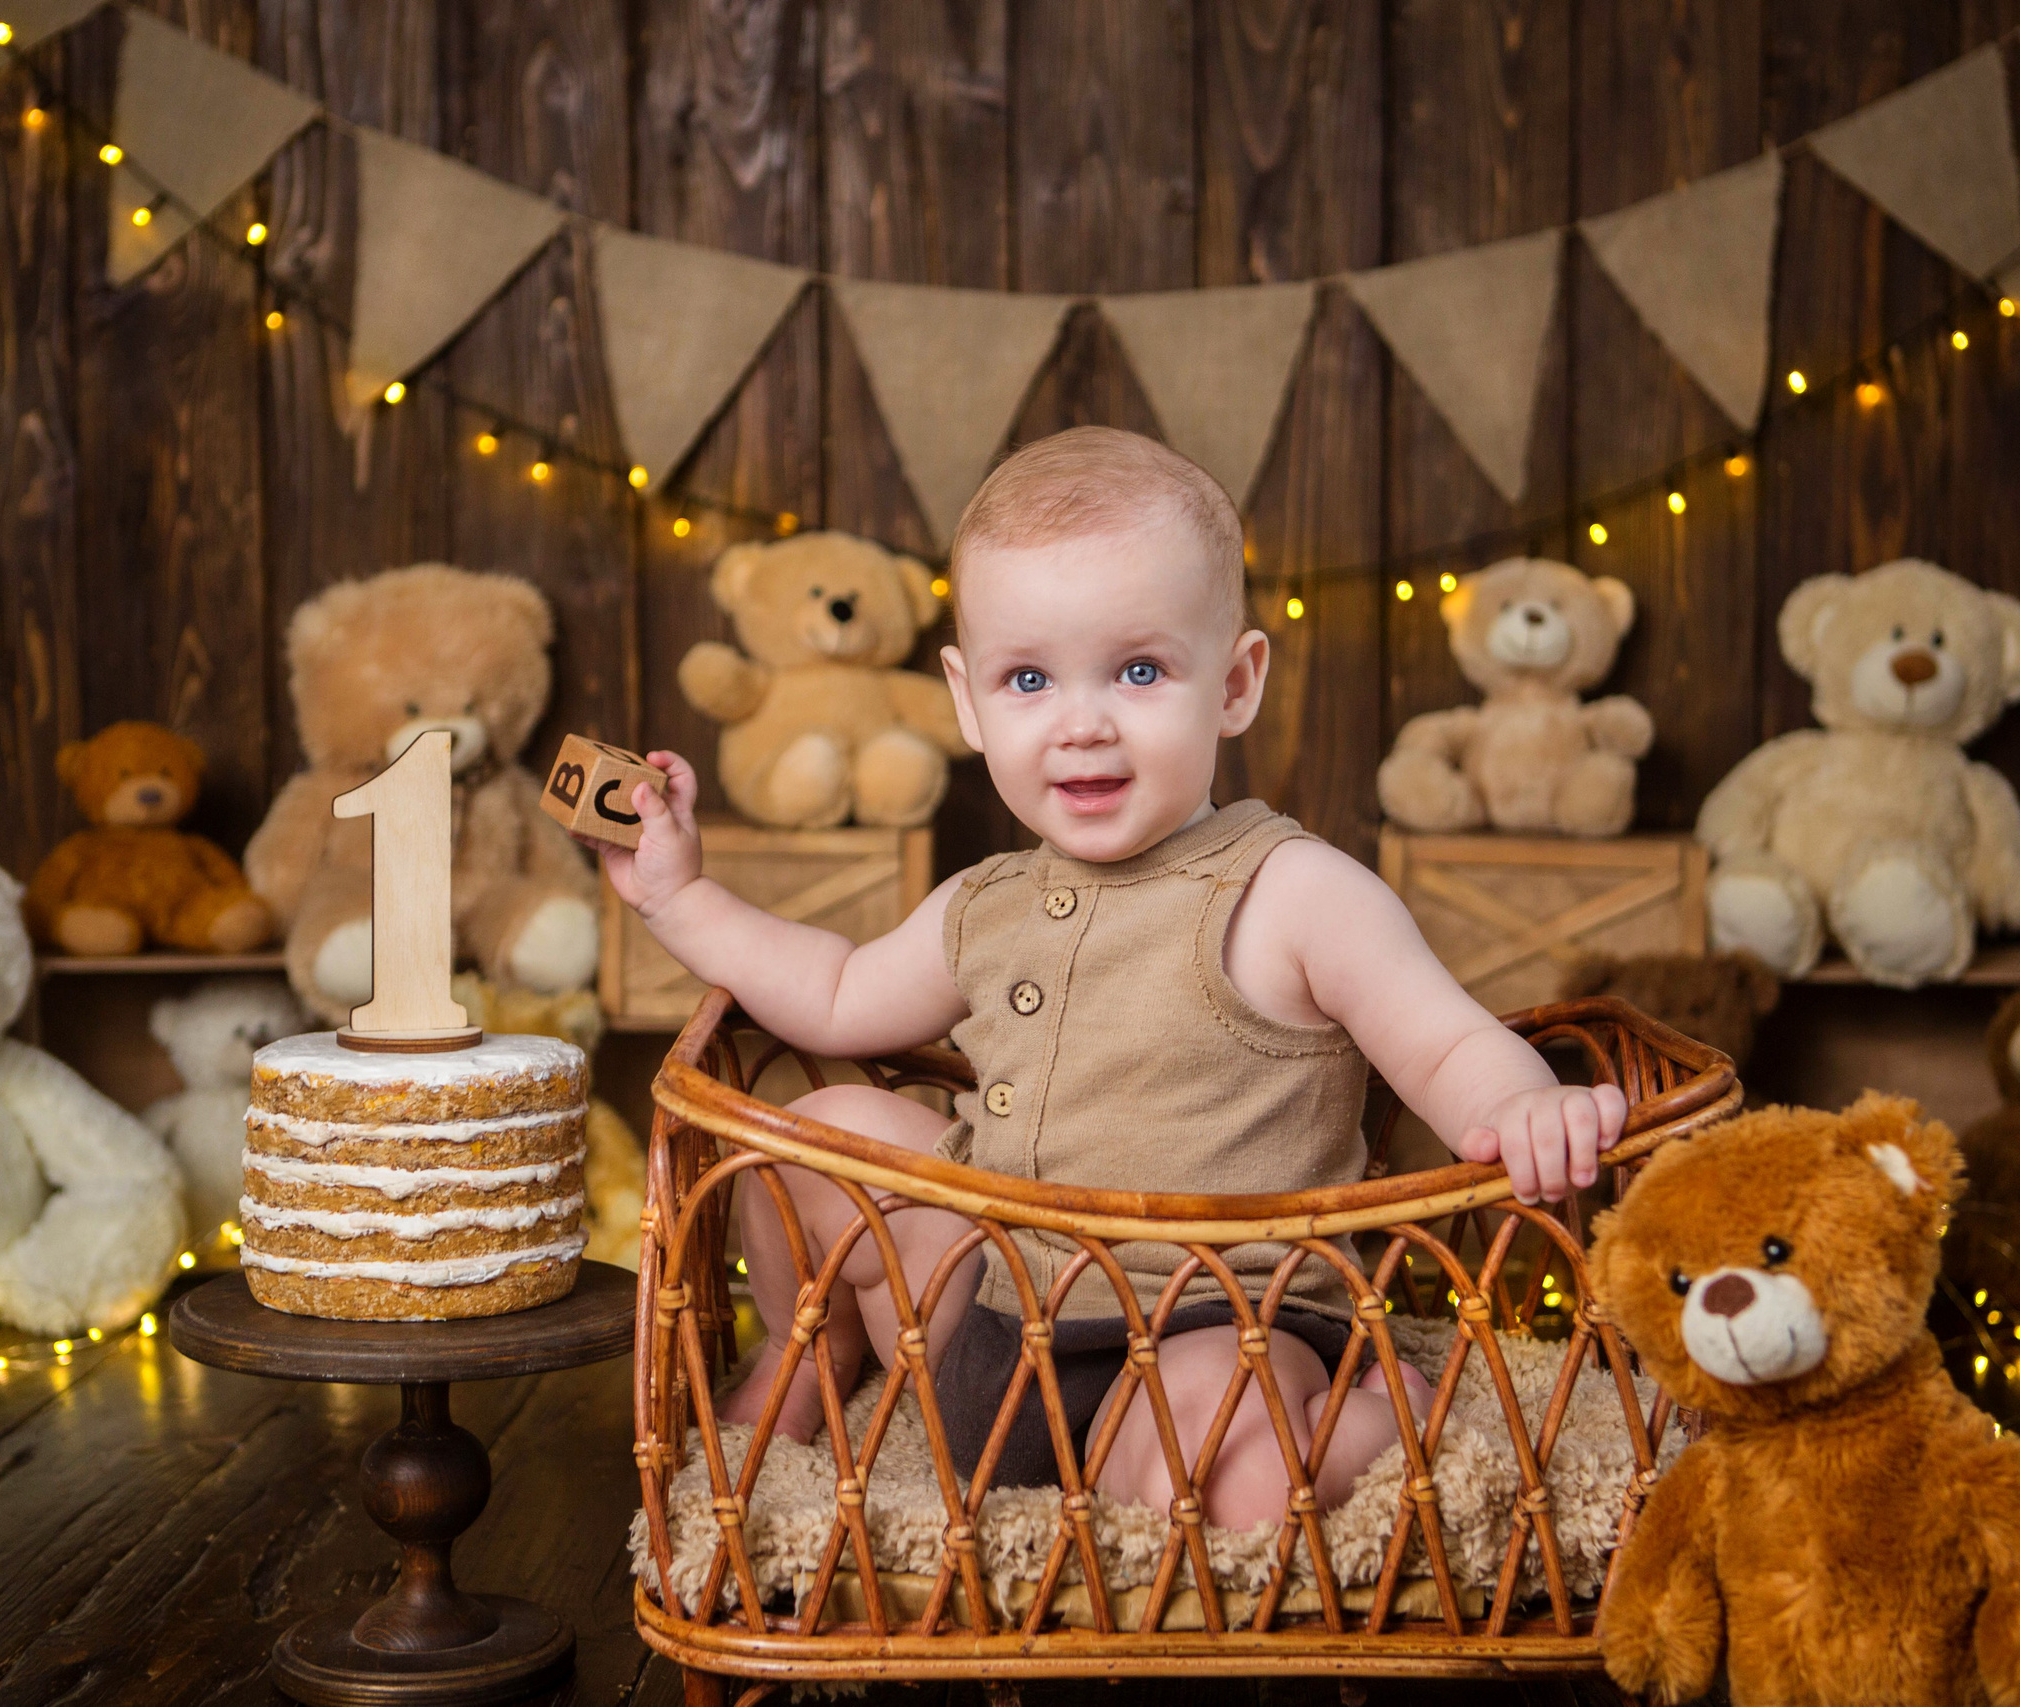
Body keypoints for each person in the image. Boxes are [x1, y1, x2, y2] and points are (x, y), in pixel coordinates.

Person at [603, 427, 1628, 1528]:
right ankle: (814, 1356)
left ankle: (1376, 1417)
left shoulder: (1289, 891)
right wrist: (679, 898)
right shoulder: (986, 902)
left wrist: (1521, 1103)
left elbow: (1445, 1042)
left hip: (1207, 1328)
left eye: (1139, 671)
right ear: (966, 701)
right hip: (988, 1311)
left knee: (1218, 1478)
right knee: (822, 1129)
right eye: (1028, 679)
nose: (1081, 724)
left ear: (1233, 684)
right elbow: (838, 992)